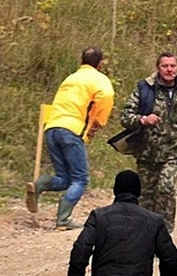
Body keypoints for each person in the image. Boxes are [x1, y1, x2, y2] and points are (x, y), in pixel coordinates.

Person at [119, 52, 177, 233]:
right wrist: (142, 119)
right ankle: (145, 235)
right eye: (165, 66)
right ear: (158, 68)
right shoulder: (144, 89)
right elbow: (125, 116)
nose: (169, 70)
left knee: (166, 187)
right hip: (146, 153)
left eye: (172, 66)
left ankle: (165, 232)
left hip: (175, 152)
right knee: (146, 196)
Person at [27, 47, 115, 229]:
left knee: (65, 178)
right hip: (72, 130)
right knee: (80, 179)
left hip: (52, 127)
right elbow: (106, 97)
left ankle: (41, 184)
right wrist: (97, 123)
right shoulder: (99, 79)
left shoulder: (70, 78)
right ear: (100, 63)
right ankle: (63, 219)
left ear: (81, 60)